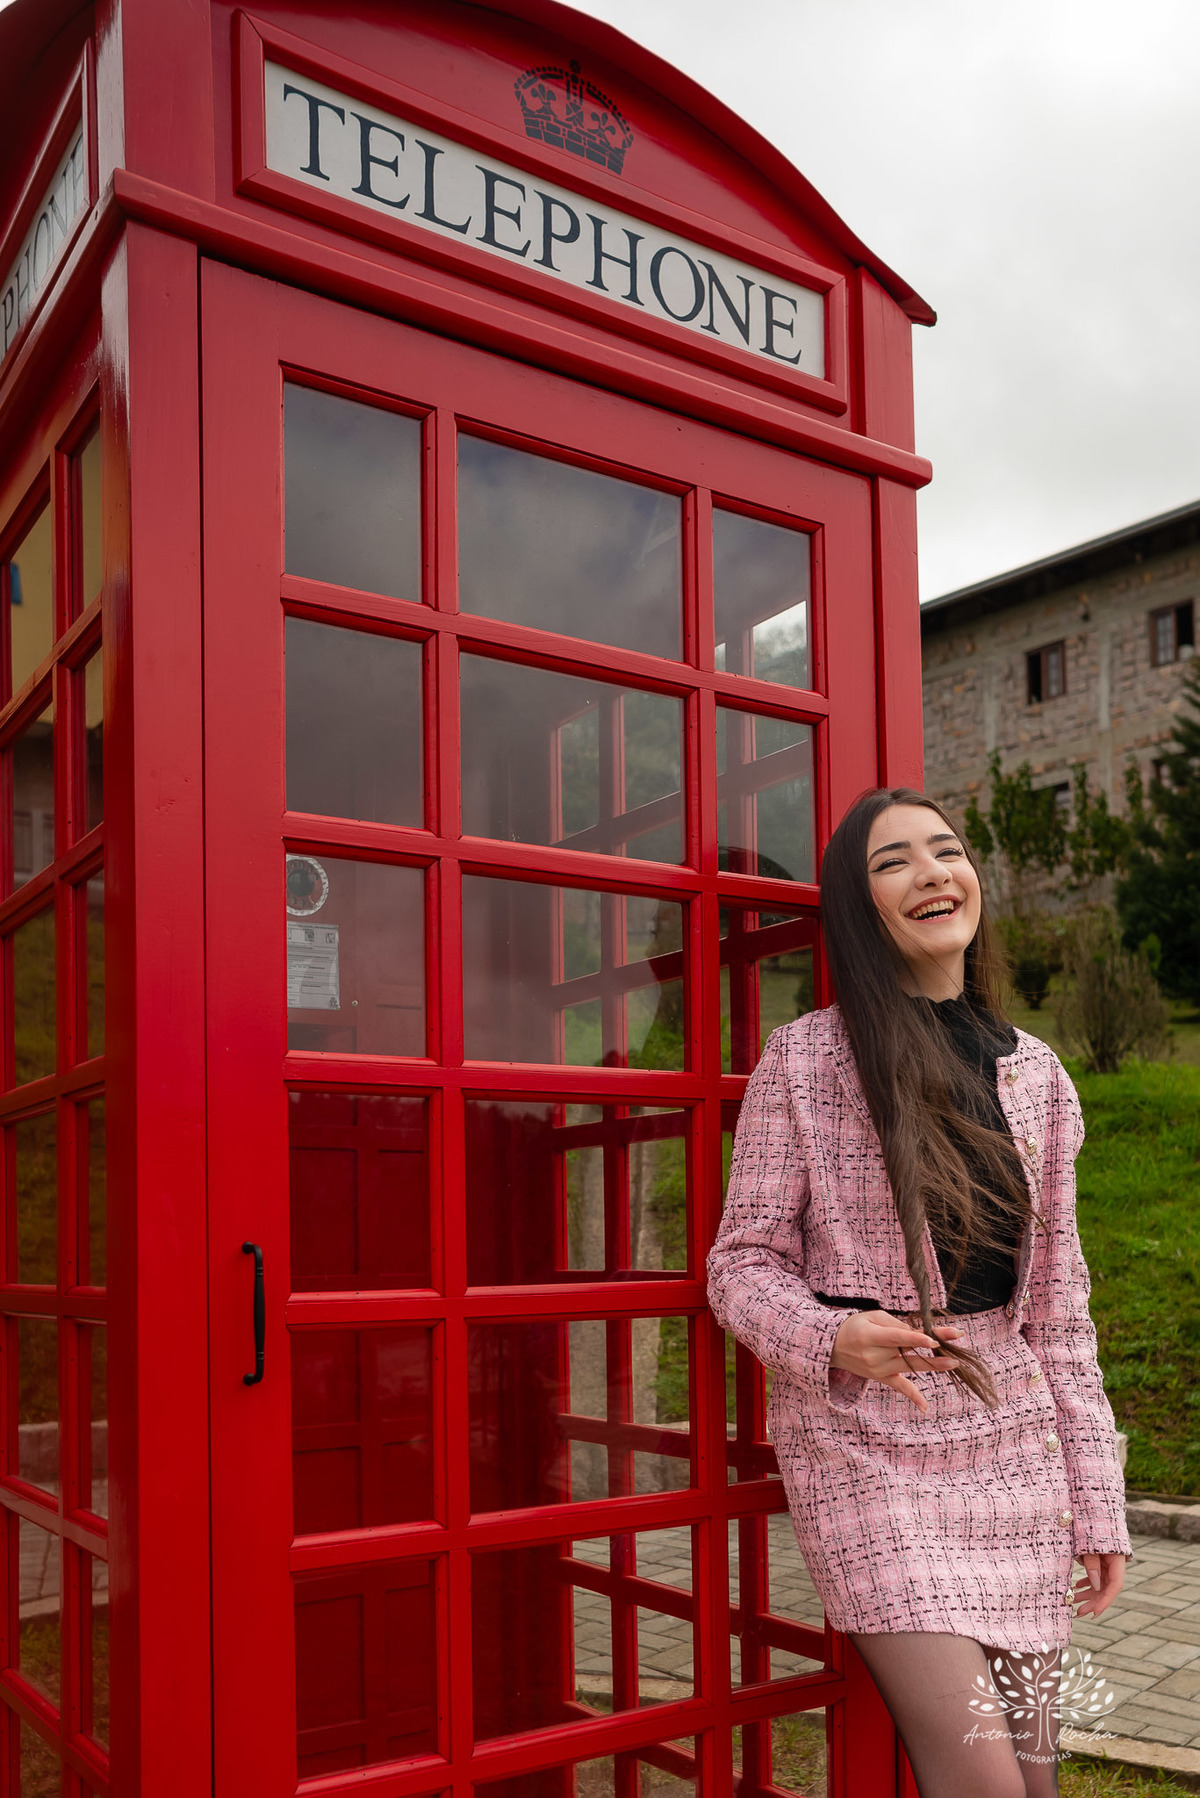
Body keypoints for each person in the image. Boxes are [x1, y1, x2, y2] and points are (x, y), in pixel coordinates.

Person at [707, 788, 1131, 1798]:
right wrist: (831, 1340)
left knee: (1035, 1781)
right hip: (871, 1453)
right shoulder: (808, 1059)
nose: (934, 871)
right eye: (894, 861)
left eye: (947, 851)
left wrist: (1098, 1500)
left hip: (1012, 1449)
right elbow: (740, 1263)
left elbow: (1059, 1315)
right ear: (861, 906)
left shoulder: (1041, 1076)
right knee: (981, 1784)